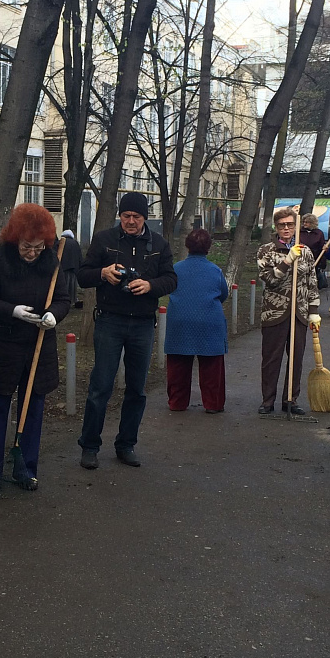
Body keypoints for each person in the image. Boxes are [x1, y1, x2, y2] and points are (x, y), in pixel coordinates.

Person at [76, 193, 178, 469]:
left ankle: (126, 444)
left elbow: (171, 280)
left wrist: (150, 286)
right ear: (119, 216)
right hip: (110, 321)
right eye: (126, 216)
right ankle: (90, 446)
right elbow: (82, 275)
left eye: (136, 217)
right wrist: (102, 273)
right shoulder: (104, 240)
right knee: (101, 386)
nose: (130, 221)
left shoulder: (159, 244)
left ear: (145, 217)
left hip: (143, 324)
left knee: (136, 389)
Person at [0, 203, 71, 492]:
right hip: (3, 348)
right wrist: (12, 311)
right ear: (15, 239)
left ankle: (26, 469)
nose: (32, 253)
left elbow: (64, 299)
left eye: (38, 247)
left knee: (33, 409)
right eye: (26, 247)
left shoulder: (52, 261)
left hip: (38, 347)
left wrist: (53, 315)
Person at [255, 207, 320, 415]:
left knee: (296, 359)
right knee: (271, 359)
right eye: (282, 225)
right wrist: (287, 261)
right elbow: (269, 280)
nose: (286, 228)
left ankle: (291, 399)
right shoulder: (266, 251)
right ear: (276, 227)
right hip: (274, 312)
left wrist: (313, 310)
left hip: (299, 313)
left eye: (290, 225)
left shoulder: (305, 251)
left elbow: (311, 282)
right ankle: (267, 401)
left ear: (296, 226)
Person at [165, 228, 230, 413]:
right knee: (212, 366)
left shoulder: (175, 269)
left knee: (178, 365)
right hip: (209, 322)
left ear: (187, 246)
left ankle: (177, 402)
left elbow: (168, 289)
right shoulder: (215, 270)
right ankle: (213, 403)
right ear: (208, 247)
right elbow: (223, 294)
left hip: (179, 321)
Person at [300, 213, 328, 290]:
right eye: (304, 222)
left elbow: (321, 248)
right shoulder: (299, 232)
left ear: (312, 223)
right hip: (301, 260)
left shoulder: (319, 233)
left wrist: (322, 264)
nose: (304, 224)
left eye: (307, 222)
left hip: (314, 260)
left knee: (312, 282)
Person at [60, 228, 84, 308]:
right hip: (73, 269)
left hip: (62, 268)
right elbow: (80, 257)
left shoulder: (60, 243)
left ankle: (63, 302)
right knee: (72, 288)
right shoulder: (75, 243)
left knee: (63, 287)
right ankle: (72, 301)